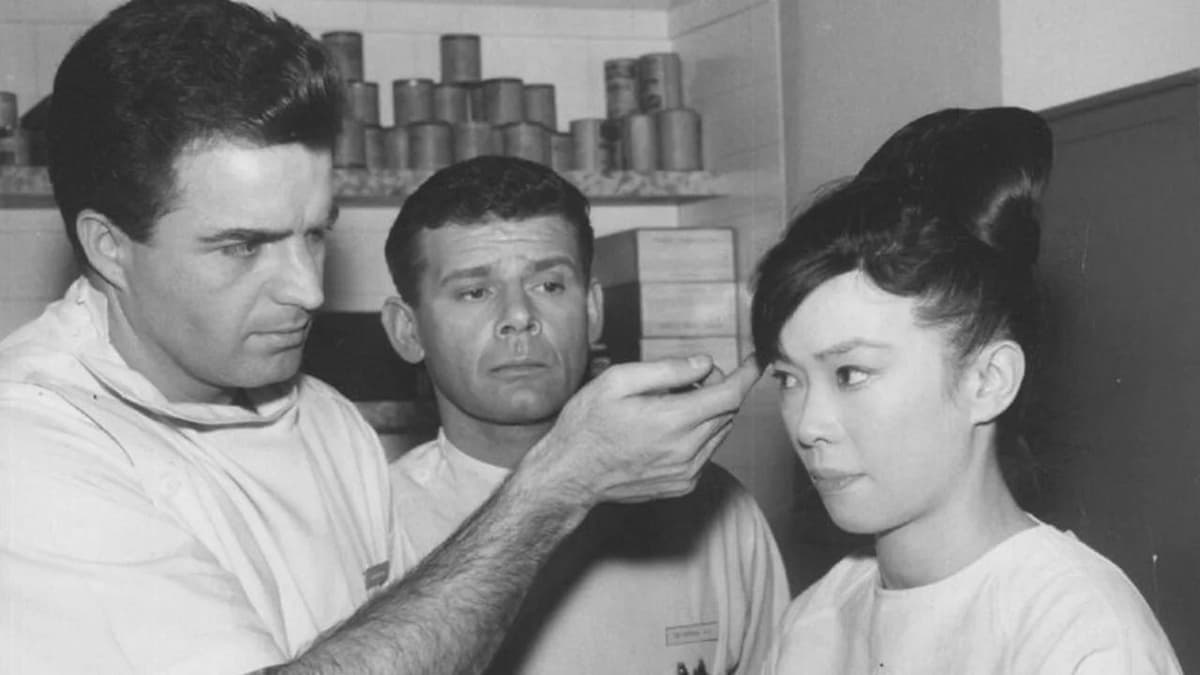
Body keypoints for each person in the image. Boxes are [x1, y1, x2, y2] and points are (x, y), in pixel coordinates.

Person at [0, 1, 759, 673]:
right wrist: (558, 482)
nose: (307, 289)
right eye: (242, 246)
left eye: (314, 234)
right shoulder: (31, 445)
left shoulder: (328, 424)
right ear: (108, 247)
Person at [751, 107, 1183, 672]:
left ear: (989, 380)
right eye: (789, 379)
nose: (808, 425)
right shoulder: (811, 624)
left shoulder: (1080, 633)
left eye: (850, 373)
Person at [379, 155, 788, 675]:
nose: (519, 317)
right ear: (408, 331)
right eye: (475, 292)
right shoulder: (376, 524)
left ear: (592, 310)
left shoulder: (717, 513)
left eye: (549, 286)